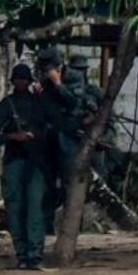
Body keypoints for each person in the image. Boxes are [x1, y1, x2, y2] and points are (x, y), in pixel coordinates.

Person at [0, 62, 55, 270]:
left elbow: (53, 127)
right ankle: (22, 254)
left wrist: (35, 136)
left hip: (36, 162)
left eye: (24, 79)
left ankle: (35, 254)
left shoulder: (40, 103)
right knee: (15, 209)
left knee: (35, 209)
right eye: (18, 79)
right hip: (14, 161)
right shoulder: (6, 105)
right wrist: (13, 136)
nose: (21, 82)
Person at [35, 46, 77, 233]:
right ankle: (47, 226)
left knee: (69, 183)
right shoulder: (43, 83)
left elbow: (74, 102)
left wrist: (59, 83)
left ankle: (71, 226)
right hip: (48, 139)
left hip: (67, 138)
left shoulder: (72, 77)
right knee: (47, 184)